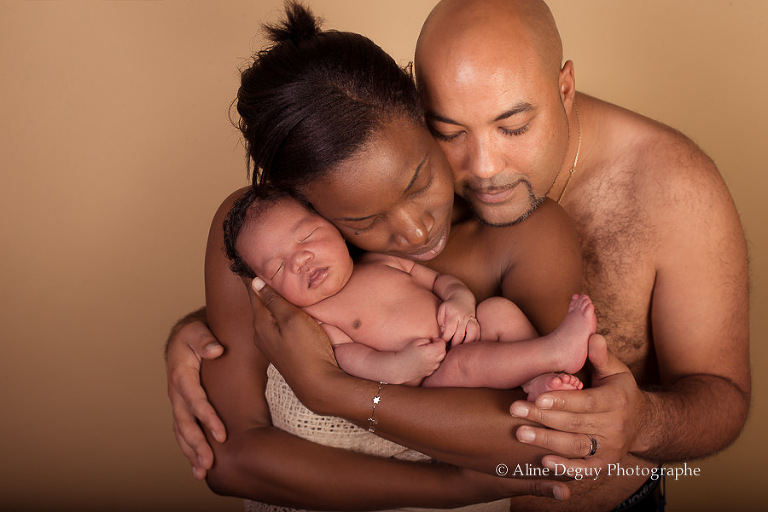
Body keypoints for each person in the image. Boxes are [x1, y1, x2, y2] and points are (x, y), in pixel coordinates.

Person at [167, 1, 751, 511]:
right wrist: (200, 326)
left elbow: (718, 397)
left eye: (514, 126)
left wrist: (641, 421)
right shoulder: (318, 205)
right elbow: (246, 405)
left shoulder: (665, 188)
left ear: (565, 87)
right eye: (450, 131)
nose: (485, 168)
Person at [224, 189, 595, 392]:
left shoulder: (381, 260)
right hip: (432, 372)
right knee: (467, 363)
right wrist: (400, 366)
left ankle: (536, 382)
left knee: (499, 310)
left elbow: (438, 281)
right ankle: (554, 352)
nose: (300, 260)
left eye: (305, 237)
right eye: (277, 266)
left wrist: (460, 300)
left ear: (335, 227)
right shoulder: (319, 316)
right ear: (267, 287)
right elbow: (351, 358)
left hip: (462, 328)